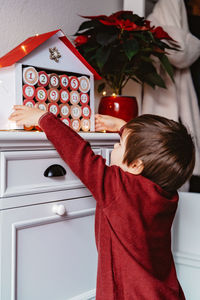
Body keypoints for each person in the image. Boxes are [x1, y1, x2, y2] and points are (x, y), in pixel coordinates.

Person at [9, 106, 195, 300]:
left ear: (135, 165)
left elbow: (80, 155)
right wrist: (123, 126)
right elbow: (149, 151)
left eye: (120, 144)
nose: (115, 146)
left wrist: (43, 118)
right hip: (163, 291)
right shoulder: (167, 195)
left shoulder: (119, 188)